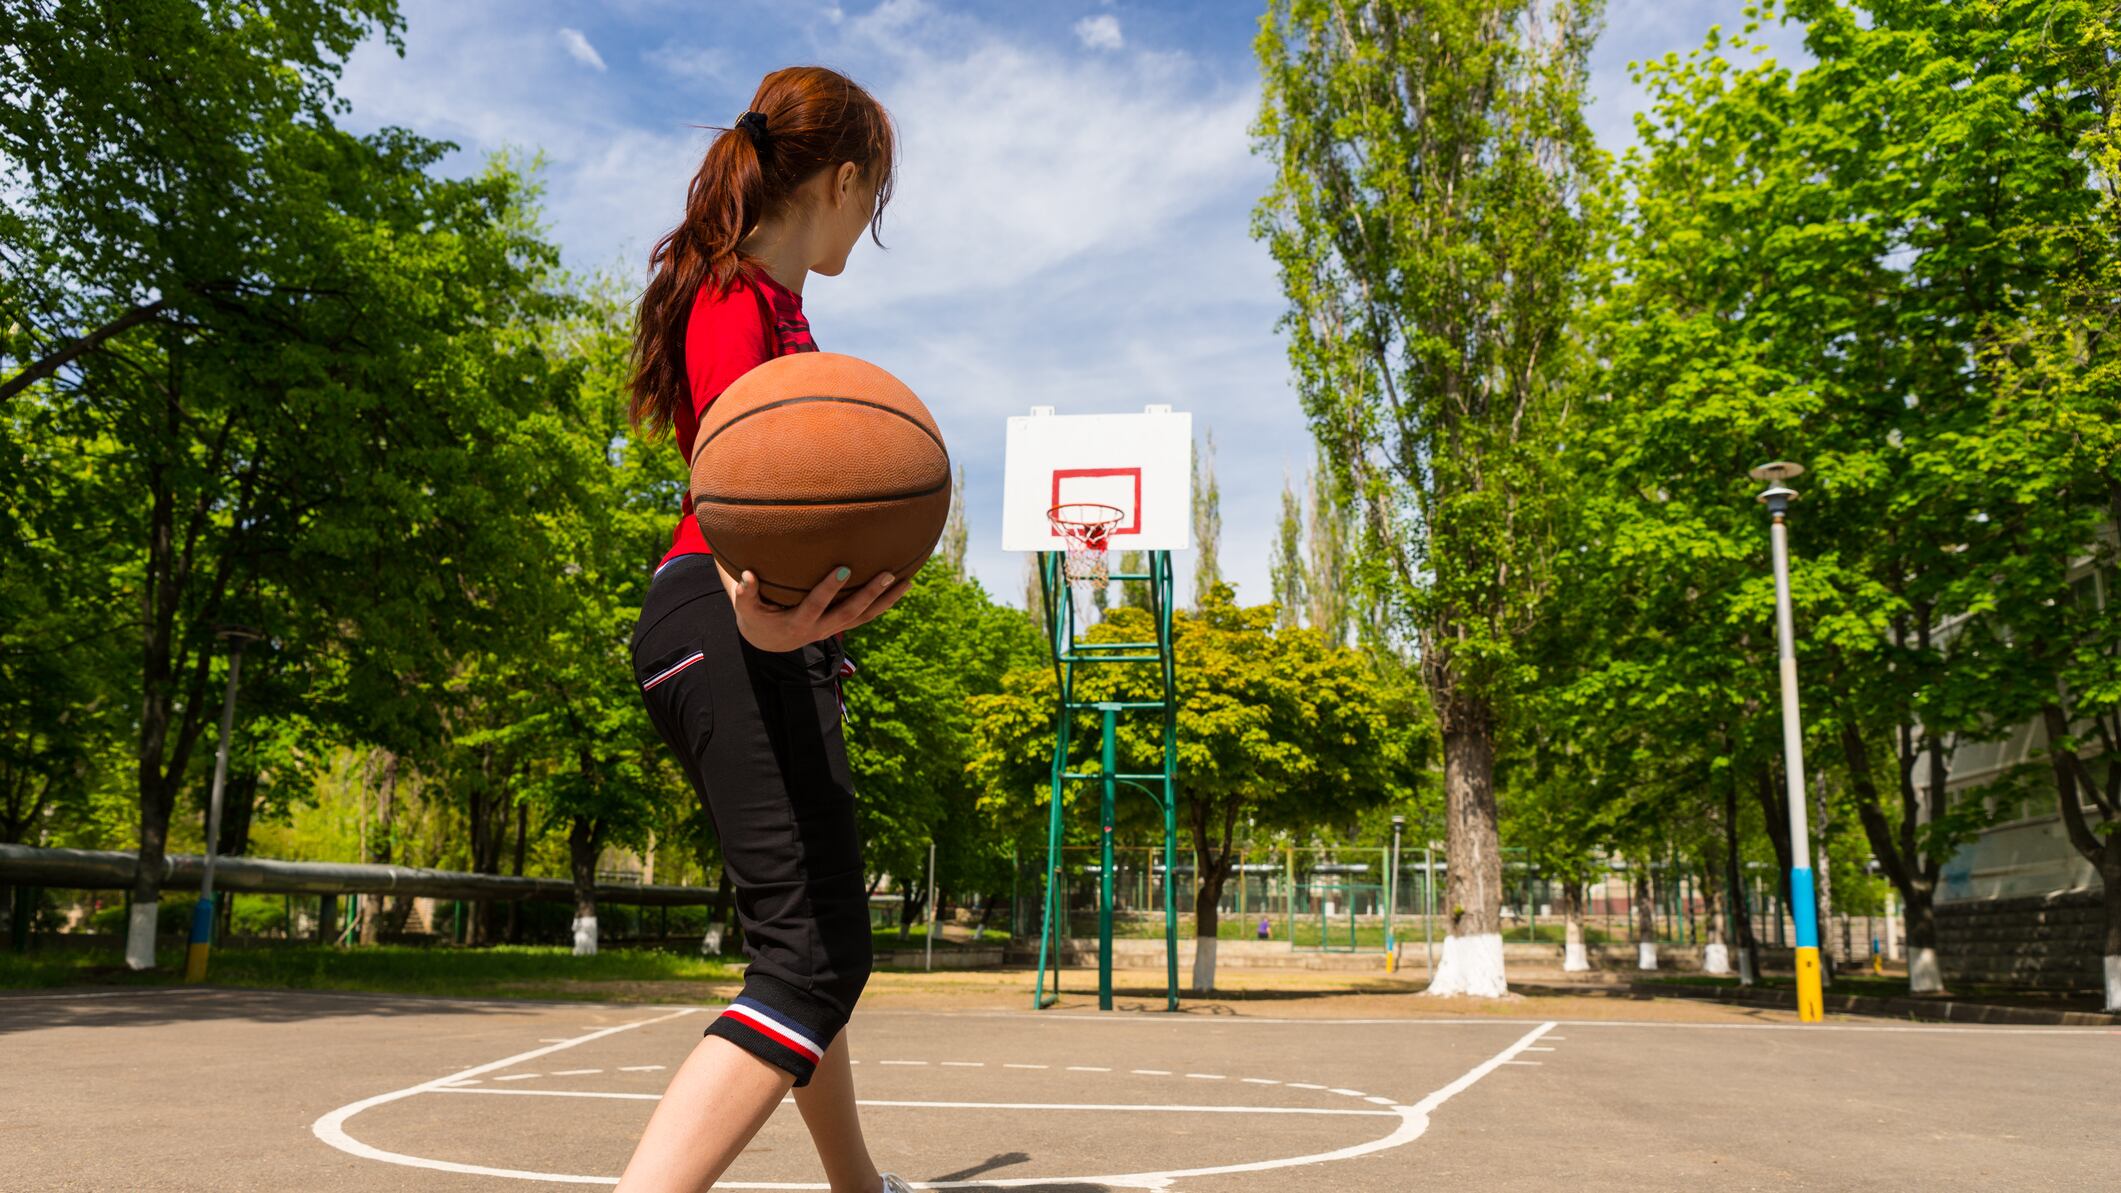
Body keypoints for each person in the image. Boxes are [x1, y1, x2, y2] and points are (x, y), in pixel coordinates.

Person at [619, 66, 914, 1193]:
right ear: (841, 180)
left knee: (809, 948)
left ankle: (858, 1185)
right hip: (728, 617)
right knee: (809, 959)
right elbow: (733, 479)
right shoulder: (734, 297)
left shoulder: (772, 310)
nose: (868, 224)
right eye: (872, 197)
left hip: (740, 624)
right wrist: (764, 612)